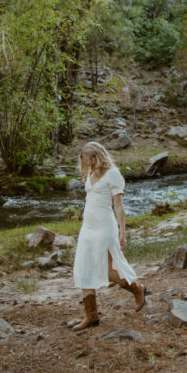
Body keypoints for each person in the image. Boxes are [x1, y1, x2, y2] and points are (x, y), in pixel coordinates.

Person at [71, 141, 145, 330]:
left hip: (105, 227)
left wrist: (123, 231)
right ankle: (92, 316)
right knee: (84, 266)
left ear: (98, 156)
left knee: (108, 269)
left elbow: (118, 205)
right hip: (88, 226)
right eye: (85, 161)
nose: (87, 164)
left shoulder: (113, 174)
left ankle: (137, 288)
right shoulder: (90, 172)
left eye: (89, 160)